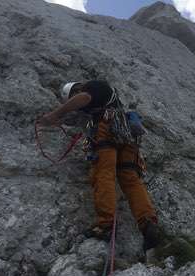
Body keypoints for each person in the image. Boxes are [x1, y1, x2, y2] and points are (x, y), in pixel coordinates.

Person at [38, 80, 160, 252]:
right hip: (127, 135)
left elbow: (84, 97)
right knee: (130, 180)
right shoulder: (111, 98)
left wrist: (54, 115)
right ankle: (148, 223)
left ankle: (105, 225)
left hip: (107, 128)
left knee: (103, 174)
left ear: (75, 89)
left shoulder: (92, 87)